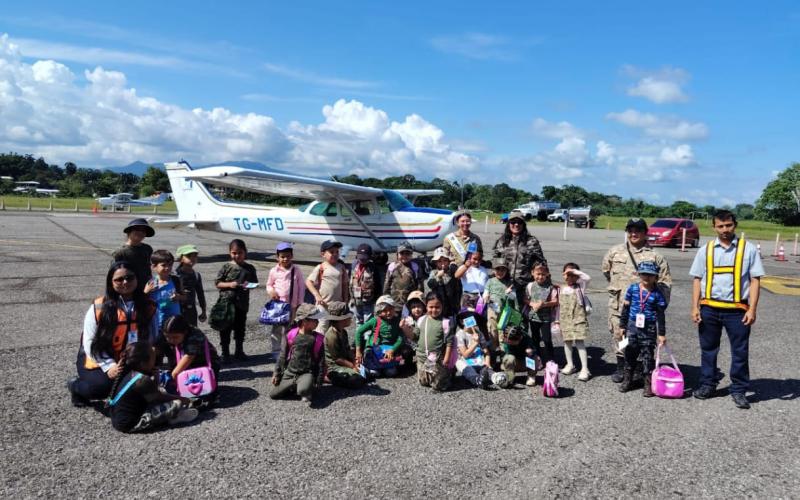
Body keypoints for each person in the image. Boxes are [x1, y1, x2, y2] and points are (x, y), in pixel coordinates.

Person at [690, 210, 764, 409]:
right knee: (708, 350)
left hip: (738, 310)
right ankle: (708, 384)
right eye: (720, 226)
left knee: (740, 351)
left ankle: (739, 389)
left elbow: (755, 280)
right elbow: (697, 279)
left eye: (728, 225)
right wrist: (695, 307)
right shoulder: (705, 250)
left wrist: (752, 309)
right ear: (714, 227)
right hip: (709, 309)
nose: (725, 230)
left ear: (735, 225)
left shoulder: (748, 250)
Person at [66, 261, 157, 406]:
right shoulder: (98, 307)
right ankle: (76, 386)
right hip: (97, 358)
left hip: (129, 359)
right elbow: (89, 342)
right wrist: (109, 366)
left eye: (129, 277)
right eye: (119, 279)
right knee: (102, 388)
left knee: (142, 385)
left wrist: (147, 362)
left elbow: (151, 338)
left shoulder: (149, 306)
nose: (125, 282)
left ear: (137, 279)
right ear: (111, 282)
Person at [602, 218, 672, 383]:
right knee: (620, 336)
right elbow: (606, 272)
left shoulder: (655, 257)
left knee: (642, 339)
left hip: (642, 311)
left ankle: (640, 368)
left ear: (645, 232)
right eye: (630, 230)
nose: (634, 233)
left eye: (638, 230)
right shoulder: (614, 252)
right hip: (619, 305)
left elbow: (665, 284)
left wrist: (657, 307)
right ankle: (622, 366)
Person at [106, 341, 198, 433]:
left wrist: (156, 378)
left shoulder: (130, 372)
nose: (155, 360)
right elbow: (159, 398)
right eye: (153, 358)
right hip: (129, 423)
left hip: (118, 418)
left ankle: (172, 415)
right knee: (176, 403)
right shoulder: (142, 380)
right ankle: (174, 418)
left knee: (163, 393)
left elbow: (154, 392)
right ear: (143, 363)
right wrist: (183, 399)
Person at [618, 262, 668, 396]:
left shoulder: (658, 293)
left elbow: (661, 315)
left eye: (650, 275)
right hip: (633, 326)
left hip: (649, 328)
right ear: (639, 274)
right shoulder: (633, 289)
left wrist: (661, 333)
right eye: (644, 274)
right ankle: (627, 380)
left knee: (647, 355)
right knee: (630, 353)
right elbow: (626, 308)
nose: (646, 277)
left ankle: (648, 384)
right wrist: (622, 326)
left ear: (655, 277)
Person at [270, 304, 327, 404]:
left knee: (303, 390)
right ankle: (295, 384)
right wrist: (277, 374)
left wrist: (319, 381)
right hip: (290, 372)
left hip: (307, 373)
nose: (317, 322)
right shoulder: (291, 334)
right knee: (274, 395)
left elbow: (321, 361)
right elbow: (283, 355)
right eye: (314, 319)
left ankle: (301, 386)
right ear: (304, 321)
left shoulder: (318, 339)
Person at [157, 315, 221, 400]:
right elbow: (155, 348)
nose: (171, 340)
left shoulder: (195, 335)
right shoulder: (168, 333)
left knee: (205, 393)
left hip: (205, 363)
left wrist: (173, 375)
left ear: (185, 332)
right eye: (167, 337)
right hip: (185, 361)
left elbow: (188, 357)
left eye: (175, 337)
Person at [214, 239, 259, 361]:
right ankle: (225, 353)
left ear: (245, 252)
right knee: (225, 328)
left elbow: (255, 283)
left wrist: (248, 285)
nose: (237, 256)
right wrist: (230, 285)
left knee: (240, 328)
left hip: (241, 304)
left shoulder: (250, 268)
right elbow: (217, 283)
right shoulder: (226, 267)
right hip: (226, 304)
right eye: (234, 253)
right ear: (230, 253)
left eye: (240, 253)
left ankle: (239, 351)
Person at [492, 210, 546, 308]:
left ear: (523, 224)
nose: (516, 225)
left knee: (522, 317)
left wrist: (546, 283)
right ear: (508, 224)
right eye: (513, 222)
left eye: (519, 222)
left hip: (525, 286)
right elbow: (495, 262)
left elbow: (541, 263)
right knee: (502, 314)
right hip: (505, 284)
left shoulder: (531, 241)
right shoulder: (502, 241)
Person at [266, 242, 306, 361]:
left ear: (292, 256)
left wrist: (299, 303)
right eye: (282, 256)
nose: (285, 259)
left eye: (288, 256)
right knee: (277, 329)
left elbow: (301, 287)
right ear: (277, 257)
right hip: (278, 306)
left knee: (290, 329)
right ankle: (276, 351)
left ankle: (289, 350)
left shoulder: (296, 270)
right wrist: (271, 291)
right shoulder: (274, 271)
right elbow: (269, 284)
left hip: (292, 306)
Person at [355, 295, 408, 378]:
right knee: (374, 373)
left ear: (394, 308)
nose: (388, 312)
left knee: (391, 373)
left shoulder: (398, 321)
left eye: (390, 309)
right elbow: (359, 332)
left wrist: (392, 350)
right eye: (384, 310)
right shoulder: (375, 321)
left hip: (390, 352)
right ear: (379, 312)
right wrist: (358, 350)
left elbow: (400, 338)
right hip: (374, 351)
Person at [414, 292, 456, 392]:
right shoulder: (421, 320)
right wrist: (405, 328)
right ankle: (438, 375)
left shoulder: (445, 322)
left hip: (437, 358)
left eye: (437, 307)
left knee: (438, 385)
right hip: (422, 356)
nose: (434, 310)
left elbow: (450, 342)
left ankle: (447, 374)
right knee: (423, 382)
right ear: (426, 306)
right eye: (431, 307)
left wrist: (446, 358)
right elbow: (414, 336)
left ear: (442, 306)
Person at [557, 262, 592, 381]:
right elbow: (558, 306)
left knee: (579, 343)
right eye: (567, 274)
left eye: (572, 275)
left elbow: (587, 278)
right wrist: (557, 321)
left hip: (578, 319)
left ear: (577, 276)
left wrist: (574, 271)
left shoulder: (580, 287)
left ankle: (585, 368)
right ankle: (570, 364)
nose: (569, 277)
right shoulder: (561, 289)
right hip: (565, 320)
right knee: (567, 342)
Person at [306, 240, 349, 331]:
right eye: (331, 252)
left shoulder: (341, 267)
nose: (335, 254)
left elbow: (345, 284)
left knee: (335, 329)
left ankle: (333, 345)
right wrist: (317, 295)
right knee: (322, 327)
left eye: (337, 252)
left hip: (337, 306)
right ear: (323, 254)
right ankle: (319, 345)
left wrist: (345, 300)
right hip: (323, 305)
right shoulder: (321, 267)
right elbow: (309, 282)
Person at [323, 302, 368, 389]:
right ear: (341, 320)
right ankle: (329, 378)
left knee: (366, 374)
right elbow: (337, 359)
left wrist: (355, 361)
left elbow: (348, 349)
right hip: (334, 366)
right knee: (356, 380)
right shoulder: (331, 336)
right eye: (348, 317)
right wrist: (352, 366)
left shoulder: (343, 332)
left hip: (345, 361)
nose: (351, 319)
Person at [144, 249, 184, 334]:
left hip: (174, 321)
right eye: (163, 265)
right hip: (157, 322)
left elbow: (184, 296)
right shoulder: (151, 283)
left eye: (170, 265)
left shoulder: (175, 280)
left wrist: (179, 297)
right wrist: (146, 292)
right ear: (154, 267)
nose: (167, 268)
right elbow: (143, 299)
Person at [525, 262, 559, 363]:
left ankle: (550, 359)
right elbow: (525, 298)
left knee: (547, 339)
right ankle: (538, 359)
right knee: (535, 339)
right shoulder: (530, 286)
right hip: (533, 317)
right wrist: (532, 304)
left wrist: (544, 304)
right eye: (538, 274)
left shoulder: (551, 287)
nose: (540, 277)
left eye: (543, 274)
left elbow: (555, 301)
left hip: (546, 318)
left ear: (547, 274)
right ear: (532, 273)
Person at [454, 310, 497, 390]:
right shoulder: (460, 334)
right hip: (466, 363)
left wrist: (487, 364)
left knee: (488, 371)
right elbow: (465, 355)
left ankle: (497, 378)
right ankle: (477, 380)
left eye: (474, 320)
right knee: (464, 367)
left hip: (479, 360)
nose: (473, 323)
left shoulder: (479, 333)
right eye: (469, 320)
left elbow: (486, 352)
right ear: (462, 322)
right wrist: (475, 343)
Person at [111, 218, 155, 292]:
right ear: (129, 232)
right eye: (137, 230)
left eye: (143, 231)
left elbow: (148, 267)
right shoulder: (120, 252)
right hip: (128, 287)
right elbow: (114, 273)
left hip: (146, 286)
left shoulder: (147, 248)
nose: (140, 233)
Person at [482, 257, 516, 348]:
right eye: (497, 269)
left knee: (502, 332)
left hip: (505, 312)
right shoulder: (490, 281)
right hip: (492, 310)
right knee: (492, 330)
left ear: (506, 271)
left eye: (503, 270)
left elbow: (513, 297)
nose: (500, 272)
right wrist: (486, 297)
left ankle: (502, 352)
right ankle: (493, 352)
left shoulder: (509, 283)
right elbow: (485, 293)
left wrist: (509, 293)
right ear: (493, 270)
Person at [174, 244, 207, 327]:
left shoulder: (196, 275)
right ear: (180, 259)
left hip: (191, 310)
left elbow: (200, 294)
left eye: (195, 256)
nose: (193, 258)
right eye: (189, 256)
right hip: (177, 309)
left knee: (191, 332)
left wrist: (203, 310)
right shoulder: (175, 275)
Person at [350, 243, 380, 329]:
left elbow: (378, 283)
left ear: (370, 257)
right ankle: (359, 339)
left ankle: (367, 340)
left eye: (365, 257)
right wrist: (350, 297)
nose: (362, 259)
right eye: (360, 257)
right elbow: (350, 281)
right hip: (356, 299)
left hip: (368, 300)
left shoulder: (373, 267)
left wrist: (377, 298)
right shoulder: (354, 265)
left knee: (368, 321)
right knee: (358, 320)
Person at [383, 243, 423, 307]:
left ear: (411, 255)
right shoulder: (392, 266)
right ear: (397, 254)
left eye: (407, 253)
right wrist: (385, 299)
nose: (404, 256)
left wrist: (418, 300)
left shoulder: (415, 267)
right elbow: (387, 284)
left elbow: (420, 285)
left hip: (410, 303)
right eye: (402, 253)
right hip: (394, 303)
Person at [425, 247, 460, 318]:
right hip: (439, 306)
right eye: (439, 261)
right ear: (435, 263)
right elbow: (430, 284)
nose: (442, 263)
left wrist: (453, 265)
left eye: (445, 260)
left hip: (453, 306)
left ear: (448, 261)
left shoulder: (452, 271)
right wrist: (438, 276)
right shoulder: (434, 273)